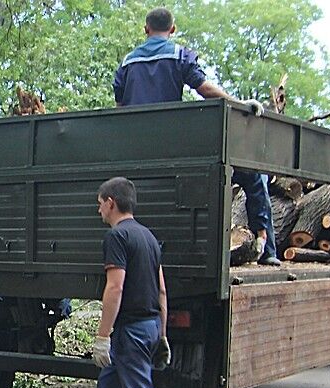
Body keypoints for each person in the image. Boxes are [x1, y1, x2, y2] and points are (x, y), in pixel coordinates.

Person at [114, 7, 280, 266]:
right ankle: (268, 250)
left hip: (136, 152)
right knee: (253, 174)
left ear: (146, 30)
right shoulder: (179, 55)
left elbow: (120, 108)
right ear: (173, 29)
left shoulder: (127, 62)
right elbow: (204, 89)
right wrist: (240, 103)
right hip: (175, 149)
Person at [82, 177, 205, 388]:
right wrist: (162, 334)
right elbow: (162, 289)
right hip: (149, 325)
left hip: (131, 331)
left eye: (99, 203)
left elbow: (115, 288)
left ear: (110, 202)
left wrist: (102, 336)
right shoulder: (148, 237)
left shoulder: (117, 237)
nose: (98, 210)